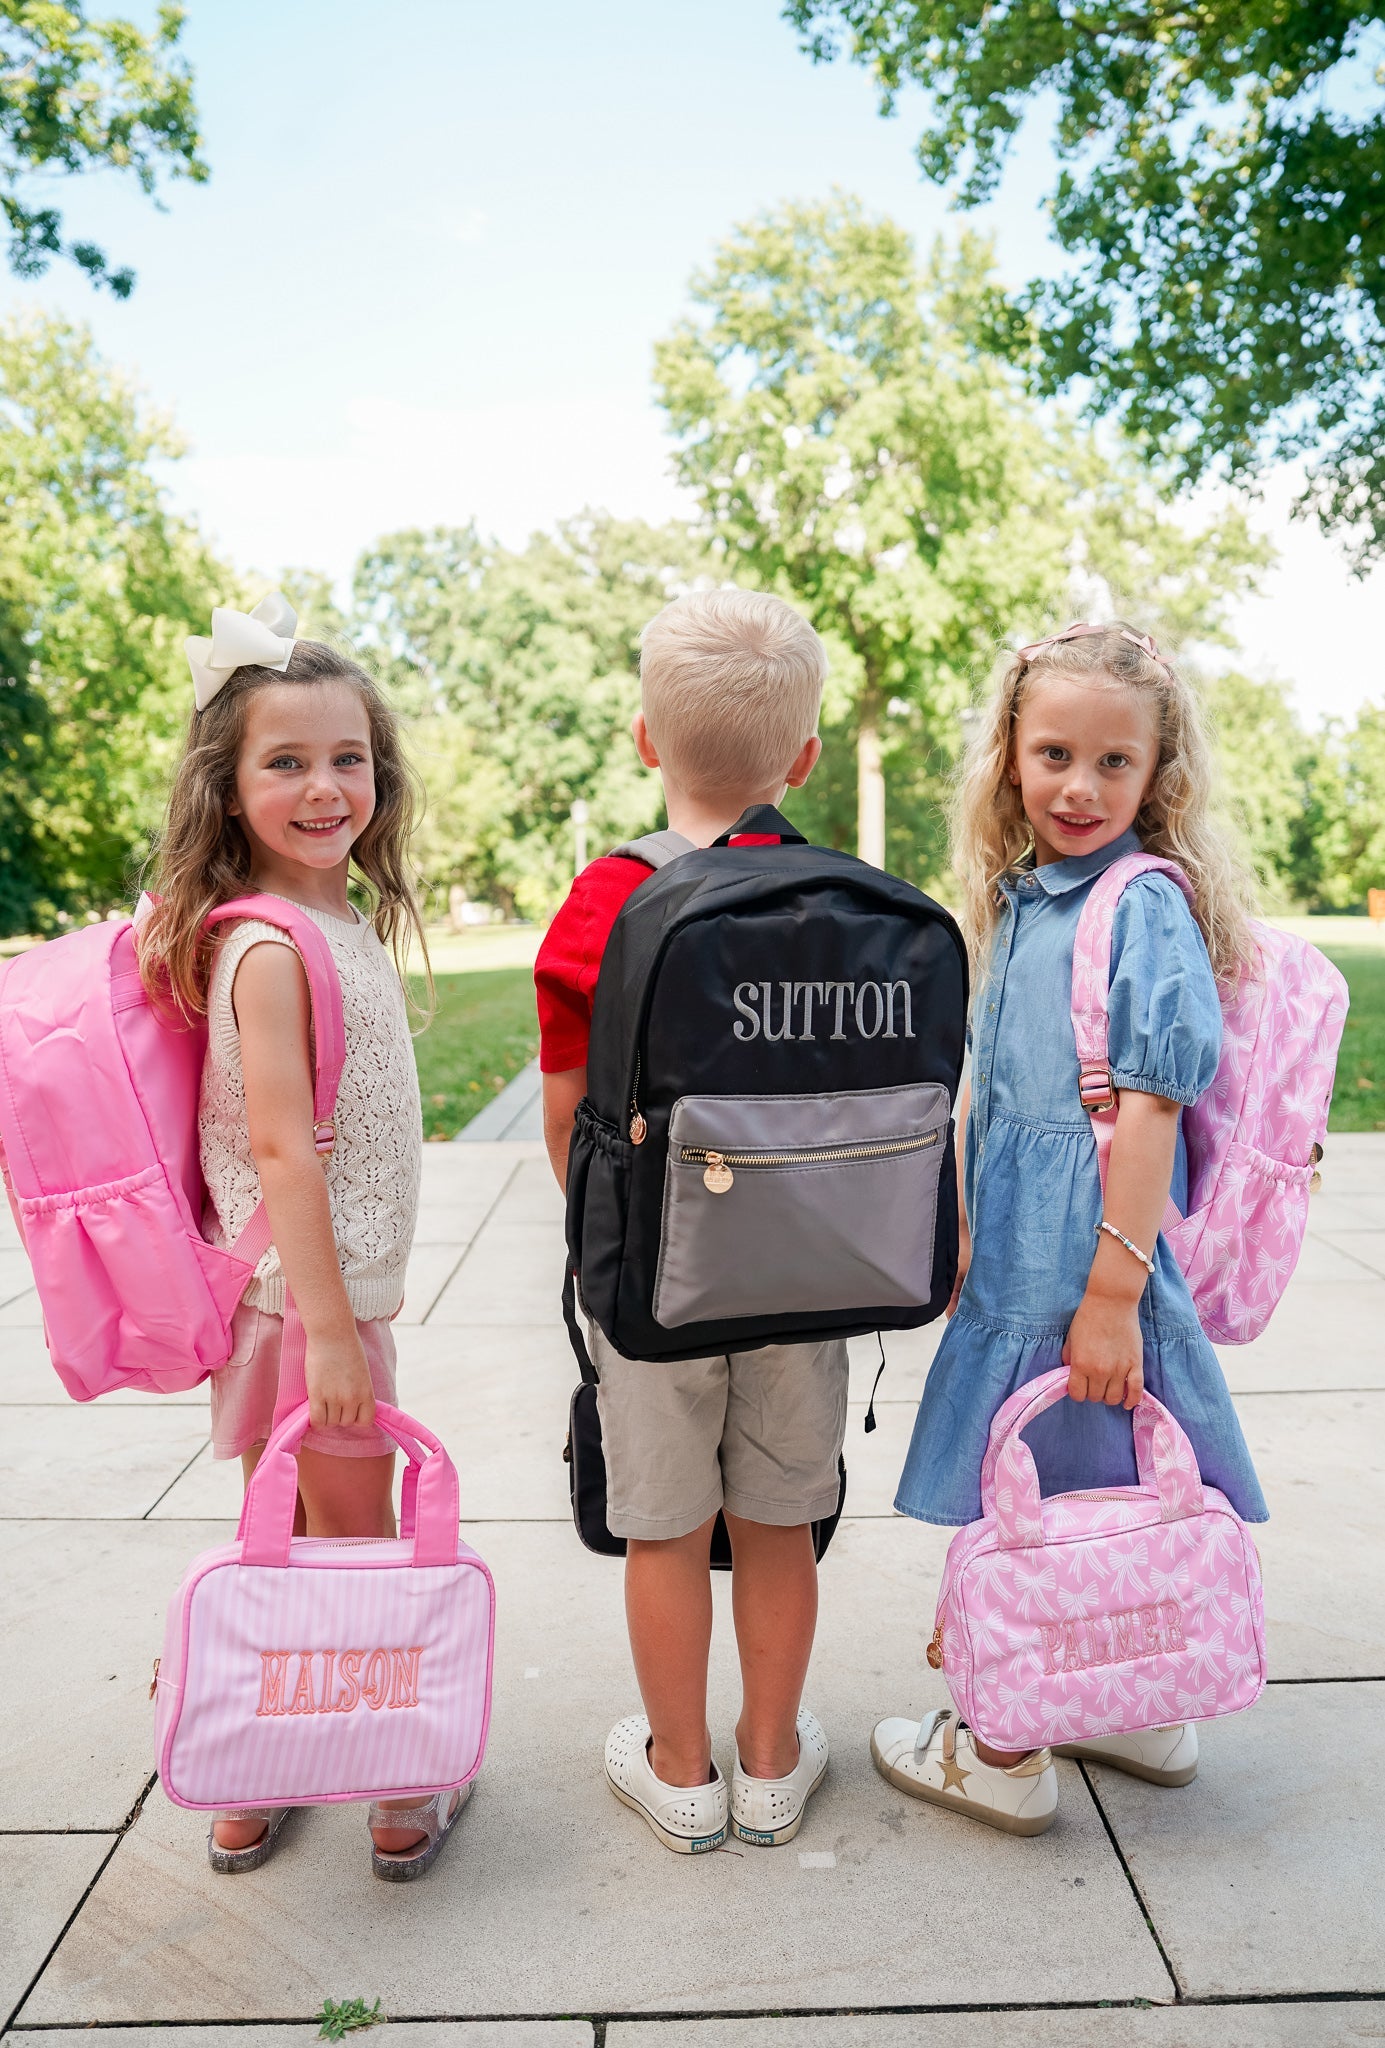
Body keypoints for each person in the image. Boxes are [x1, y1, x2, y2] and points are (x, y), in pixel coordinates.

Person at [872, 620, 1268, 1836]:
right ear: (1008, 753)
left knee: (1045, 1483)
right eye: (1053, 753)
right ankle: (1128, 1700)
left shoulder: (1137, 904)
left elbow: (1148, 1107)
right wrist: (964, 1225)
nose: (1079, 786)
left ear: (1157, 774)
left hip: (1091, 1261)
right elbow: (999, 1093)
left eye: (1112, 761)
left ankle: (1001, 1751)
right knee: (1086, 1482)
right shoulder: (1030, 899)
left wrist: (1110, 1294)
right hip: (1031, 1256)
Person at [138, 599, 461, 1879]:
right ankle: (394, 1787)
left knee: (287, 1536)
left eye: (347, 758)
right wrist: (330, 1330)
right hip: (305, 1303)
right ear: (227, 787)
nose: (324, 786)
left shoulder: (330, 922)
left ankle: (254, 1769)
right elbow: (282, 1151)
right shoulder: (269, 946)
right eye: (285, 761)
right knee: (359, 1543)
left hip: (304, 1299)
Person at [536, 588, 844, 1854]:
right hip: (803, 1273)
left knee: (661, 1526)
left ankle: (679, 1769)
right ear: (803, 757)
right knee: (776, 1517)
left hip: (657, 1279)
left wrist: (604, 1237)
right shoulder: (834, 901)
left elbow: (566, 1111)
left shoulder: (603, 900)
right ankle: (770, 1761)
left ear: (643, 740)